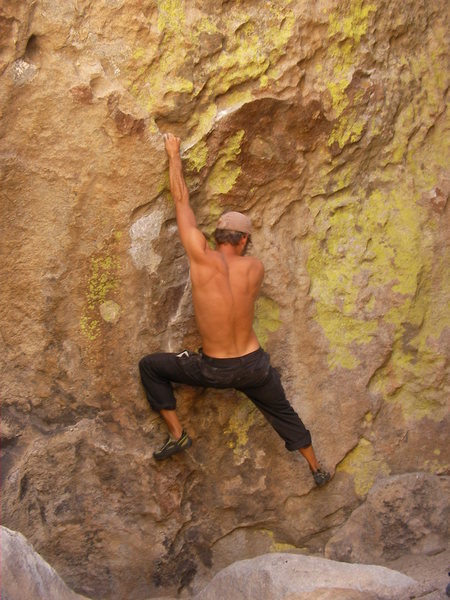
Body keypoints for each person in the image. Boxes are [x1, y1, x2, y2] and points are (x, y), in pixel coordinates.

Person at [139, 133, 330, 487]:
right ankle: (316, 468)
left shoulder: (201, 256)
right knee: (282, 412)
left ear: (215, 236)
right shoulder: (255, 269)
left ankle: (177, 433)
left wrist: (173, 154)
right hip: (254, 366)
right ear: (243, 241)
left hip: (215, 369)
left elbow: (181, 201)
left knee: (150, 366)